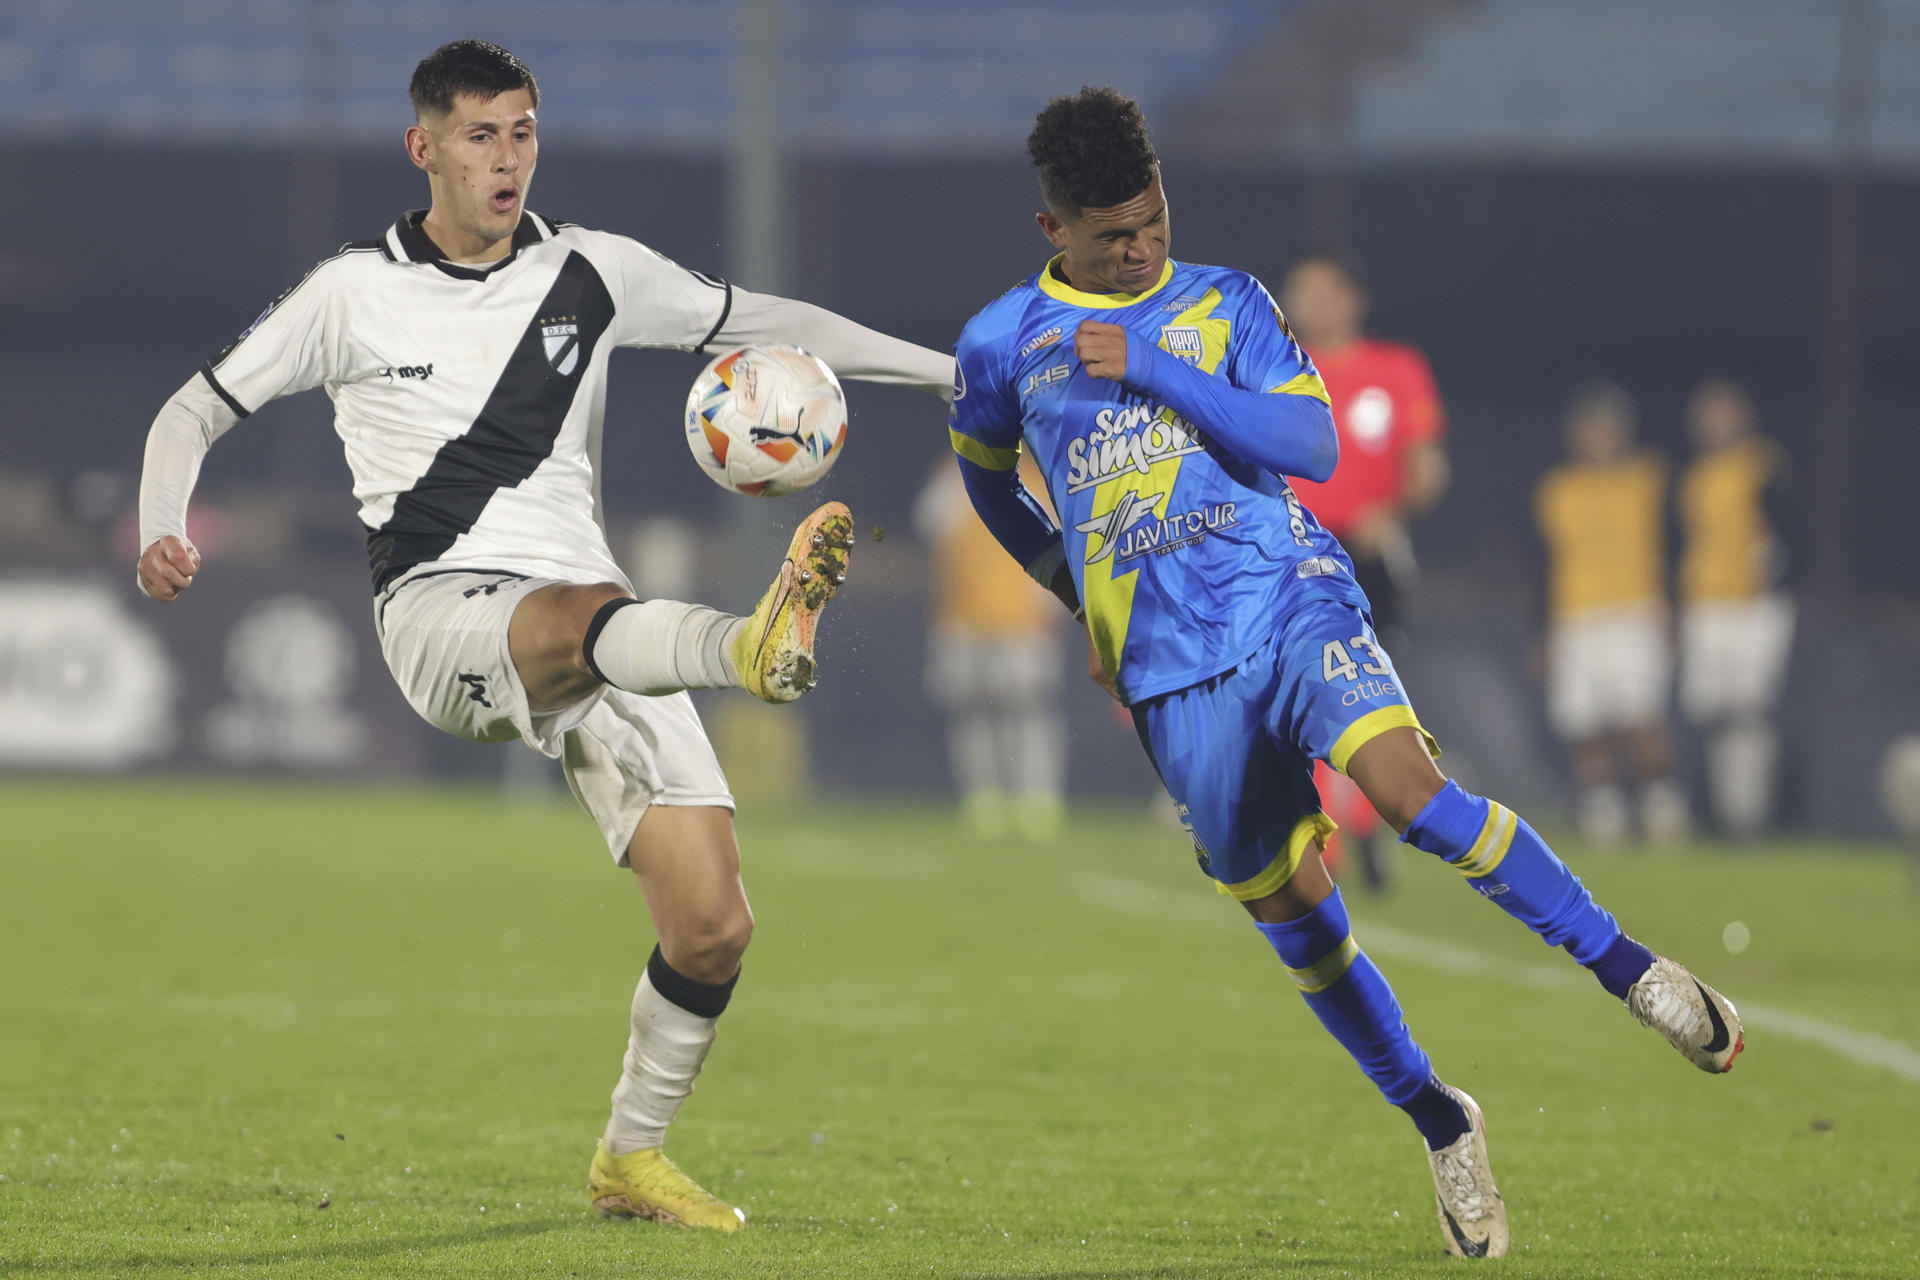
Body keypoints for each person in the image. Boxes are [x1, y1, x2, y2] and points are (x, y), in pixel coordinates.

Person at [135, 40, 952, 1232]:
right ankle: (746, 646)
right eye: (480, 135)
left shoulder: (594, 273)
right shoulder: (348, 292)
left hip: (608, 622)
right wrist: (162, 523)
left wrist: (949, 376)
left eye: (522, 131)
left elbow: (770, 318)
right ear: (424, 148)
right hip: (441, 611)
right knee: (587, 617)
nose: (506, 157)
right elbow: (193, 407)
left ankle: (632, 1157)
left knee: (715, 923)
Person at [946, 86, 1743, 1261]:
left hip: (1286, 594)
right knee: (1298, 919)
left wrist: (1159, 366)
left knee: (1413, 794)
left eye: (1154, 219)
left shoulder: (1226, 304)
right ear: (1050, 229)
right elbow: (985, 480)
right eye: (1112, 233)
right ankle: (1441, 1120)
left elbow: (1311, 446)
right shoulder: (1000, 343)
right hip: (1169, 671)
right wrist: (1075, 588)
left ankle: (1636, 973)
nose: (1141, 247)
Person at [1281, 252, 1450, 892]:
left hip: (1369, 556)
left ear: (1353, 298)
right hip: (1290, 553)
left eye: (1323, 291)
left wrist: (1394, 509)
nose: (1310, 304)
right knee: (1298, 696)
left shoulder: (1395, 370)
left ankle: (1365, 822)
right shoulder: (1276, 369)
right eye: (1299, 292)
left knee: (1367, 694)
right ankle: (1335, 830)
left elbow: (1427, 468)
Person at [1534, 382, 1690, 845]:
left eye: (1607, 428)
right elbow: (1541, 564)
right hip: (1574, 615)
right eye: (1590, 429)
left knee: (1640, 715)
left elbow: (1677, 545)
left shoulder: (1650, 477)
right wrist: (1541, 629)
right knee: (1585, 722)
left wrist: (1674, 605)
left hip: (1635, 611)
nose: (1598, 438)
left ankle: (1663, 808)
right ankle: (1604, 812)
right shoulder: (1557, 488)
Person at [912, 456, 1067, 839]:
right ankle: (984, 800)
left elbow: (1059, 550)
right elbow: (930, 530)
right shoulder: (954, 479)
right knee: (973, 713)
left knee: (1027, 712)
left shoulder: (1035, 482)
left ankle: (1036, 800)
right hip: (962, 618)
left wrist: (1050, 608)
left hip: (1020, 622)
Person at [1676, 379, 1795, 836]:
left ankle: (1751, 815)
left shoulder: (1762, 466)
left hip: (1752, 607)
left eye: (1722, 412)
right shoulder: (1696, 476)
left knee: (1749, 713)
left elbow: (1791, 529)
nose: (1713, 423)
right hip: (1706, 605)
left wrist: (1776, 573)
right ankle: (1722, 814)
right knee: (1712, 713)